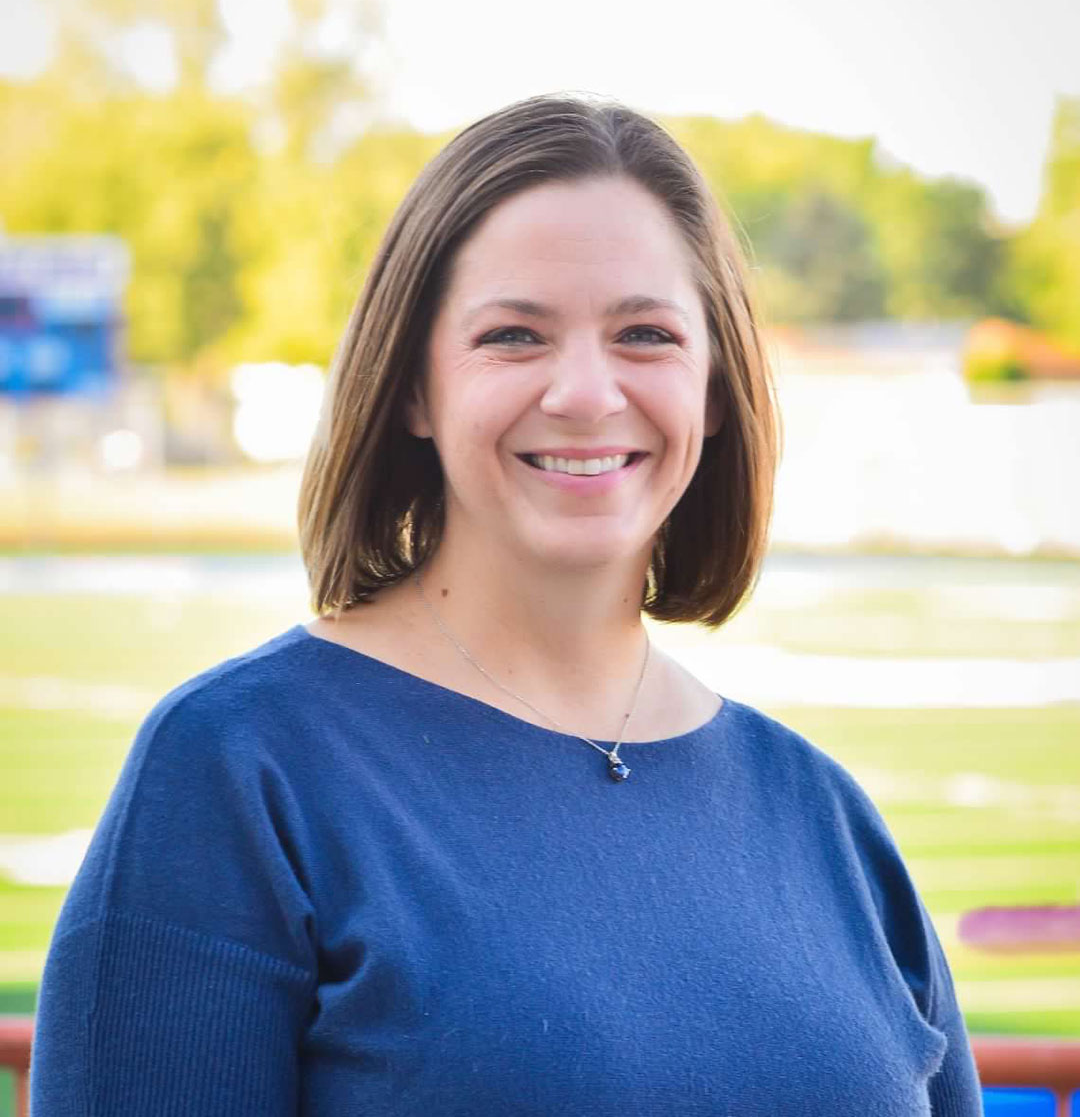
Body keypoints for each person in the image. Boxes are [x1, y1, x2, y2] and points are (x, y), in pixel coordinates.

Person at [30, 93, 983, 1115]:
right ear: (412, 388)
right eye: (516, 335)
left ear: (713, 390)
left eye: (647, 334)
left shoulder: (824, 818)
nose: (585, 391)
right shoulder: (238, 771)